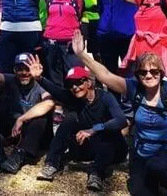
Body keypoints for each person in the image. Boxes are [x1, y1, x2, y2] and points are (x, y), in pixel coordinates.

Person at [73, 26, 167, 195]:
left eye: (154, 71)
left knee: (157, 166)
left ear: (161, 73)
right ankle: (156, 181)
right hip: (143, 152)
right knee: (138, 190)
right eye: (143, 72)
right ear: (137, 75)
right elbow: (105, 75)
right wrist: (82, 55)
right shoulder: (134, 89)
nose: (149, 75)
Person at [31, 34, 127, 188]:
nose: (75, 87)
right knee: (69, 119)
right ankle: (52, 164)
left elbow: (121, 121)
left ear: (88, 82)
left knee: (108, 135)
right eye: (71, 84)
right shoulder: (73, 97)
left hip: (112, 149)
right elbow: (56, 91)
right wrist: (39, 78)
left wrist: (94, 129)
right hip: (86, 147)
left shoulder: (105, 97)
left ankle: (96, 174)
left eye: (78, 82)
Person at [0, 34, 55, 174]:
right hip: (13, 129)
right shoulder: (11, 79)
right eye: (20, 69)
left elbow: (49, 103)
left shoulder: (40, 83)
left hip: (33, 133)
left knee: (41, 117)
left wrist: (22, 119)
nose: (24, 73)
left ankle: (19, 155)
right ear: (14, 70)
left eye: (27, 69)